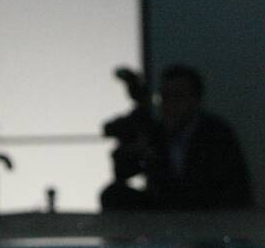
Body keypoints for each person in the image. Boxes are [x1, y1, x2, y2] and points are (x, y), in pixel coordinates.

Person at [100, 64, 253, 211]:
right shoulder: (156, 132)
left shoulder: (215, 132)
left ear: (195, 99)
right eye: (165, 96)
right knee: (114, 195)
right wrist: (135, 149)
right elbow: (123, 172)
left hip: (208, 210)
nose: (170, 103)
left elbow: (219, 185)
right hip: (166, 209)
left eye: (178, 96)